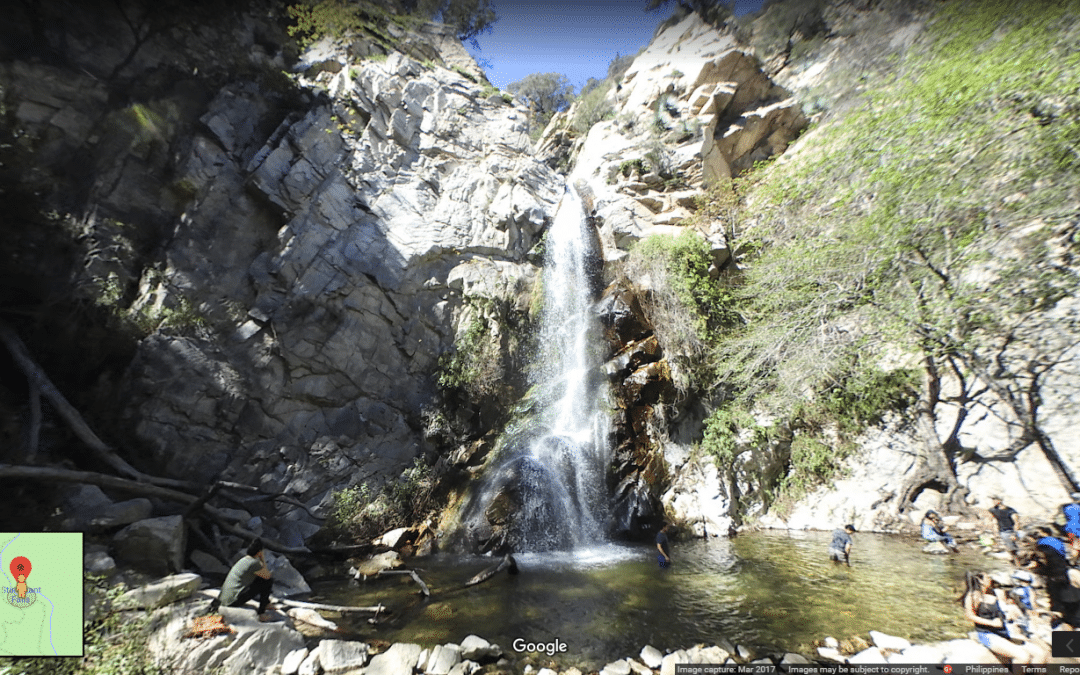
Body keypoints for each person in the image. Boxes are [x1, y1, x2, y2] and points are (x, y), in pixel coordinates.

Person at [961, 571, 1049, 665]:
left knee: (1040, 654)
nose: (990, 579)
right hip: (987, 634)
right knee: (1023, 656)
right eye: (987, 577)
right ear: (980, 580)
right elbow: (970, 616)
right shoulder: (972, 596)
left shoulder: (993, 593)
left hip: (1003, 632)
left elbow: (1003, 612)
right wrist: (991, 623)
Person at [213, 538, 276, 621]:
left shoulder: (244, 559)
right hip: (233, 601)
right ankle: (261, 613)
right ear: (259, 552)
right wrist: (262, 559)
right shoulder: (254, 563)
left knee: (260, 579)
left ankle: (267, 603)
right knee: (267, 581)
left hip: (225, 599)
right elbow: (267, 576)